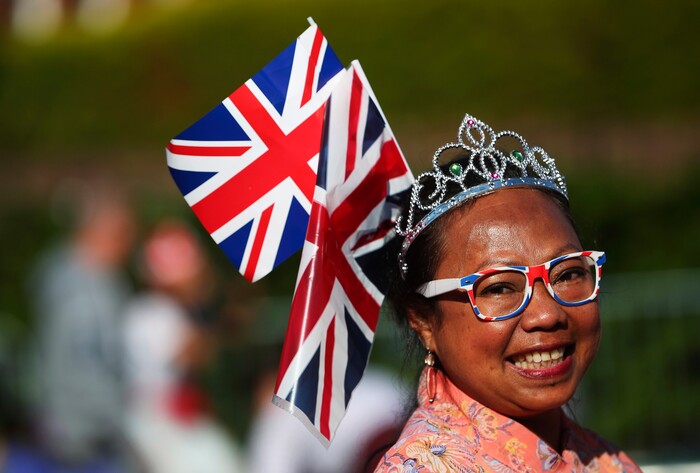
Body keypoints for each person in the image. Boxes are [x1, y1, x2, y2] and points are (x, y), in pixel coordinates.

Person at [372, 114, 642, 472]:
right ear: (423, 320)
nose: (547, 314)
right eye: (498, 287)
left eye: (567, 274)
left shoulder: (608, 461)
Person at [29, 179, 136, 471]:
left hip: (81, 433)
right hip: (84, 440)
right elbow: (84, 366)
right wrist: (130, 425)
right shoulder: (79, 288)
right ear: (104, 229)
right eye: (125, 232)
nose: (129, 242)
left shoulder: (87, 278)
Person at [122, 220, 244, 473]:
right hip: (158, 423)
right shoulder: (151, 312)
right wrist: (213, 314)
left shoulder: (162, 310)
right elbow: (192, 355)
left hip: (173, 422)